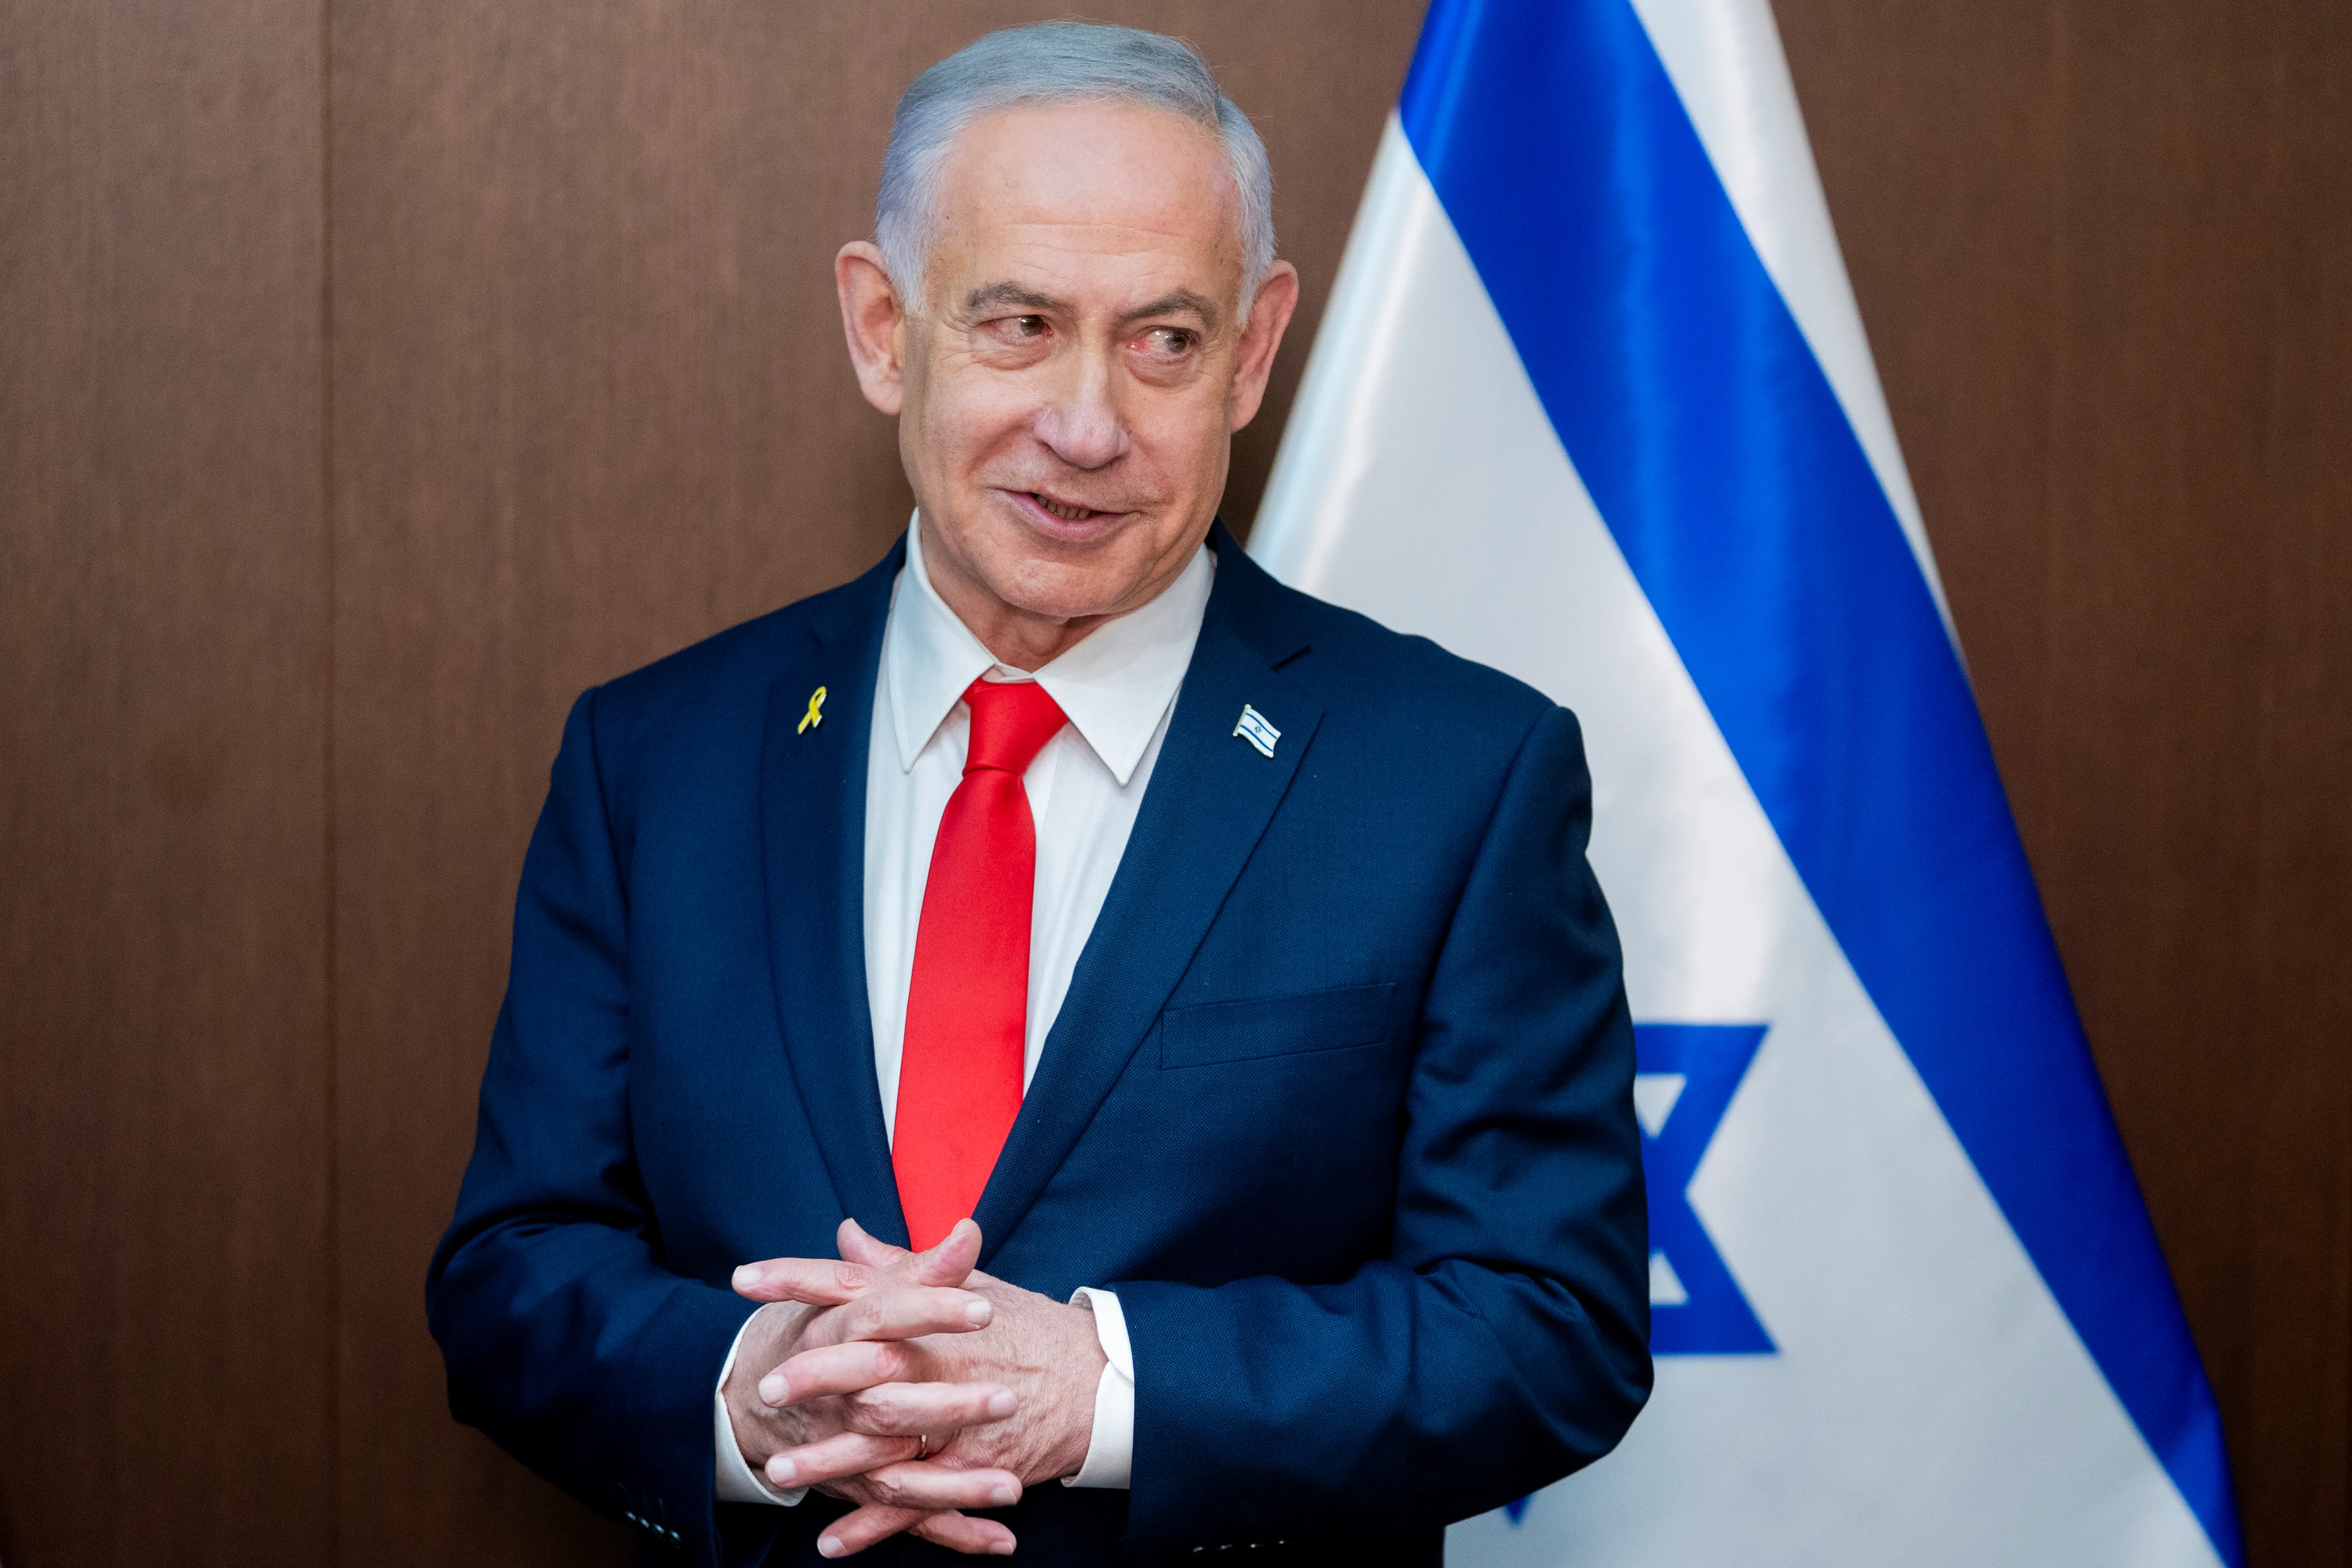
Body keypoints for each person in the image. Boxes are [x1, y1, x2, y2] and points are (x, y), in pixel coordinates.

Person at [428, 21, 1649, 1567]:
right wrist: (748, 1392)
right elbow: (512, 1269)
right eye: (1017, 325)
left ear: (1255, 352)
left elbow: (1550, 1324)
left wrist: (1110, 1391)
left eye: (1165, 340)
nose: (1086, 426)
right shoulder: (653, 757)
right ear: (883, 328)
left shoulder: (1457, 775)